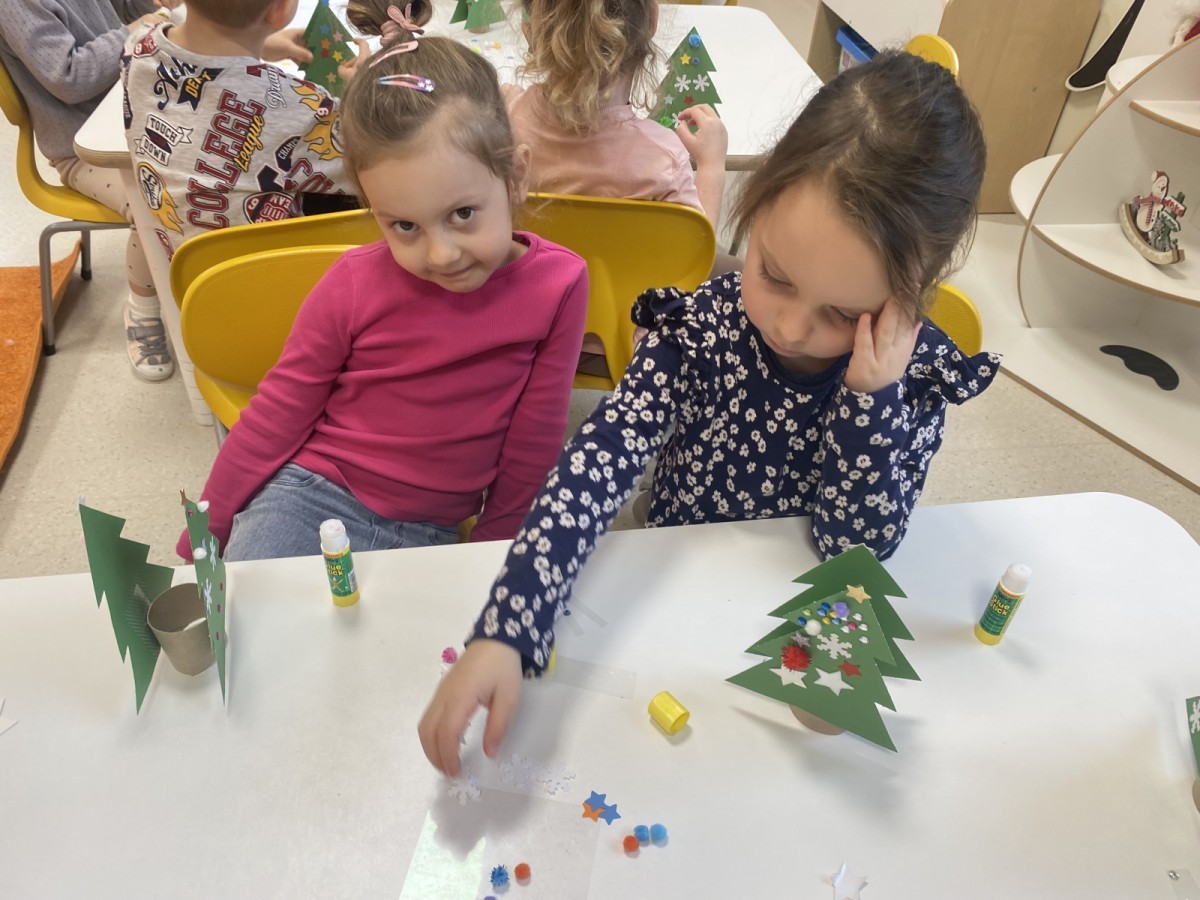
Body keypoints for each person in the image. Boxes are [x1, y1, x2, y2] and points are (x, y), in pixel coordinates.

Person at [418, 50, 1000, 776]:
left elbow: (857, 544)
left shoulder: (909, 380)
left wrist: (869, 400)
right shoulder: (702, 327)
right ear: (754, 212)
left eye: (843, 314)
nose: (789, 327)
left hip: (783, 617)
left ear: (910, 299)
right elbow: (598, 462)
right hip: (672, 566)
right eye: (774, 275)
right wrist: (508, 626)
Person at [176, 5, 588, 564]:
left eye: (463, 213)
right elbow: (277, 414)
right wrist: (204, 537)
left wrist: (490, 557)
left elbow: (534, 441)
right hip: (308, 496)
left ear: (515, 177)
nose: (441, 254)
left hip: (433, 532)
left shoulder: (561, 284)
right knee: (253, 617)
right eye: (404, 226)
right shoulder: (352, 283)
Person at [507, 0, 731, 374]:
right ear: (652, 20)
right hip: (625, 341)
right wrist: (711, 166)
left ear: (530, 33)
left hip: (529, 329)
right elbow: (694, 257)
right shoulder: (664, 159)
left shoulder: (507, 122)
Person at [120, 0, 369, 263]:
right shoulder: (300, 106)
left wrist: (258, 43)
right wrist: (363, 88)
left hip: (192, 277)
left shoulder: (137, 47)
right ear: (280, 10)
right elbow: (374, 160)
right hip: (282, 277)